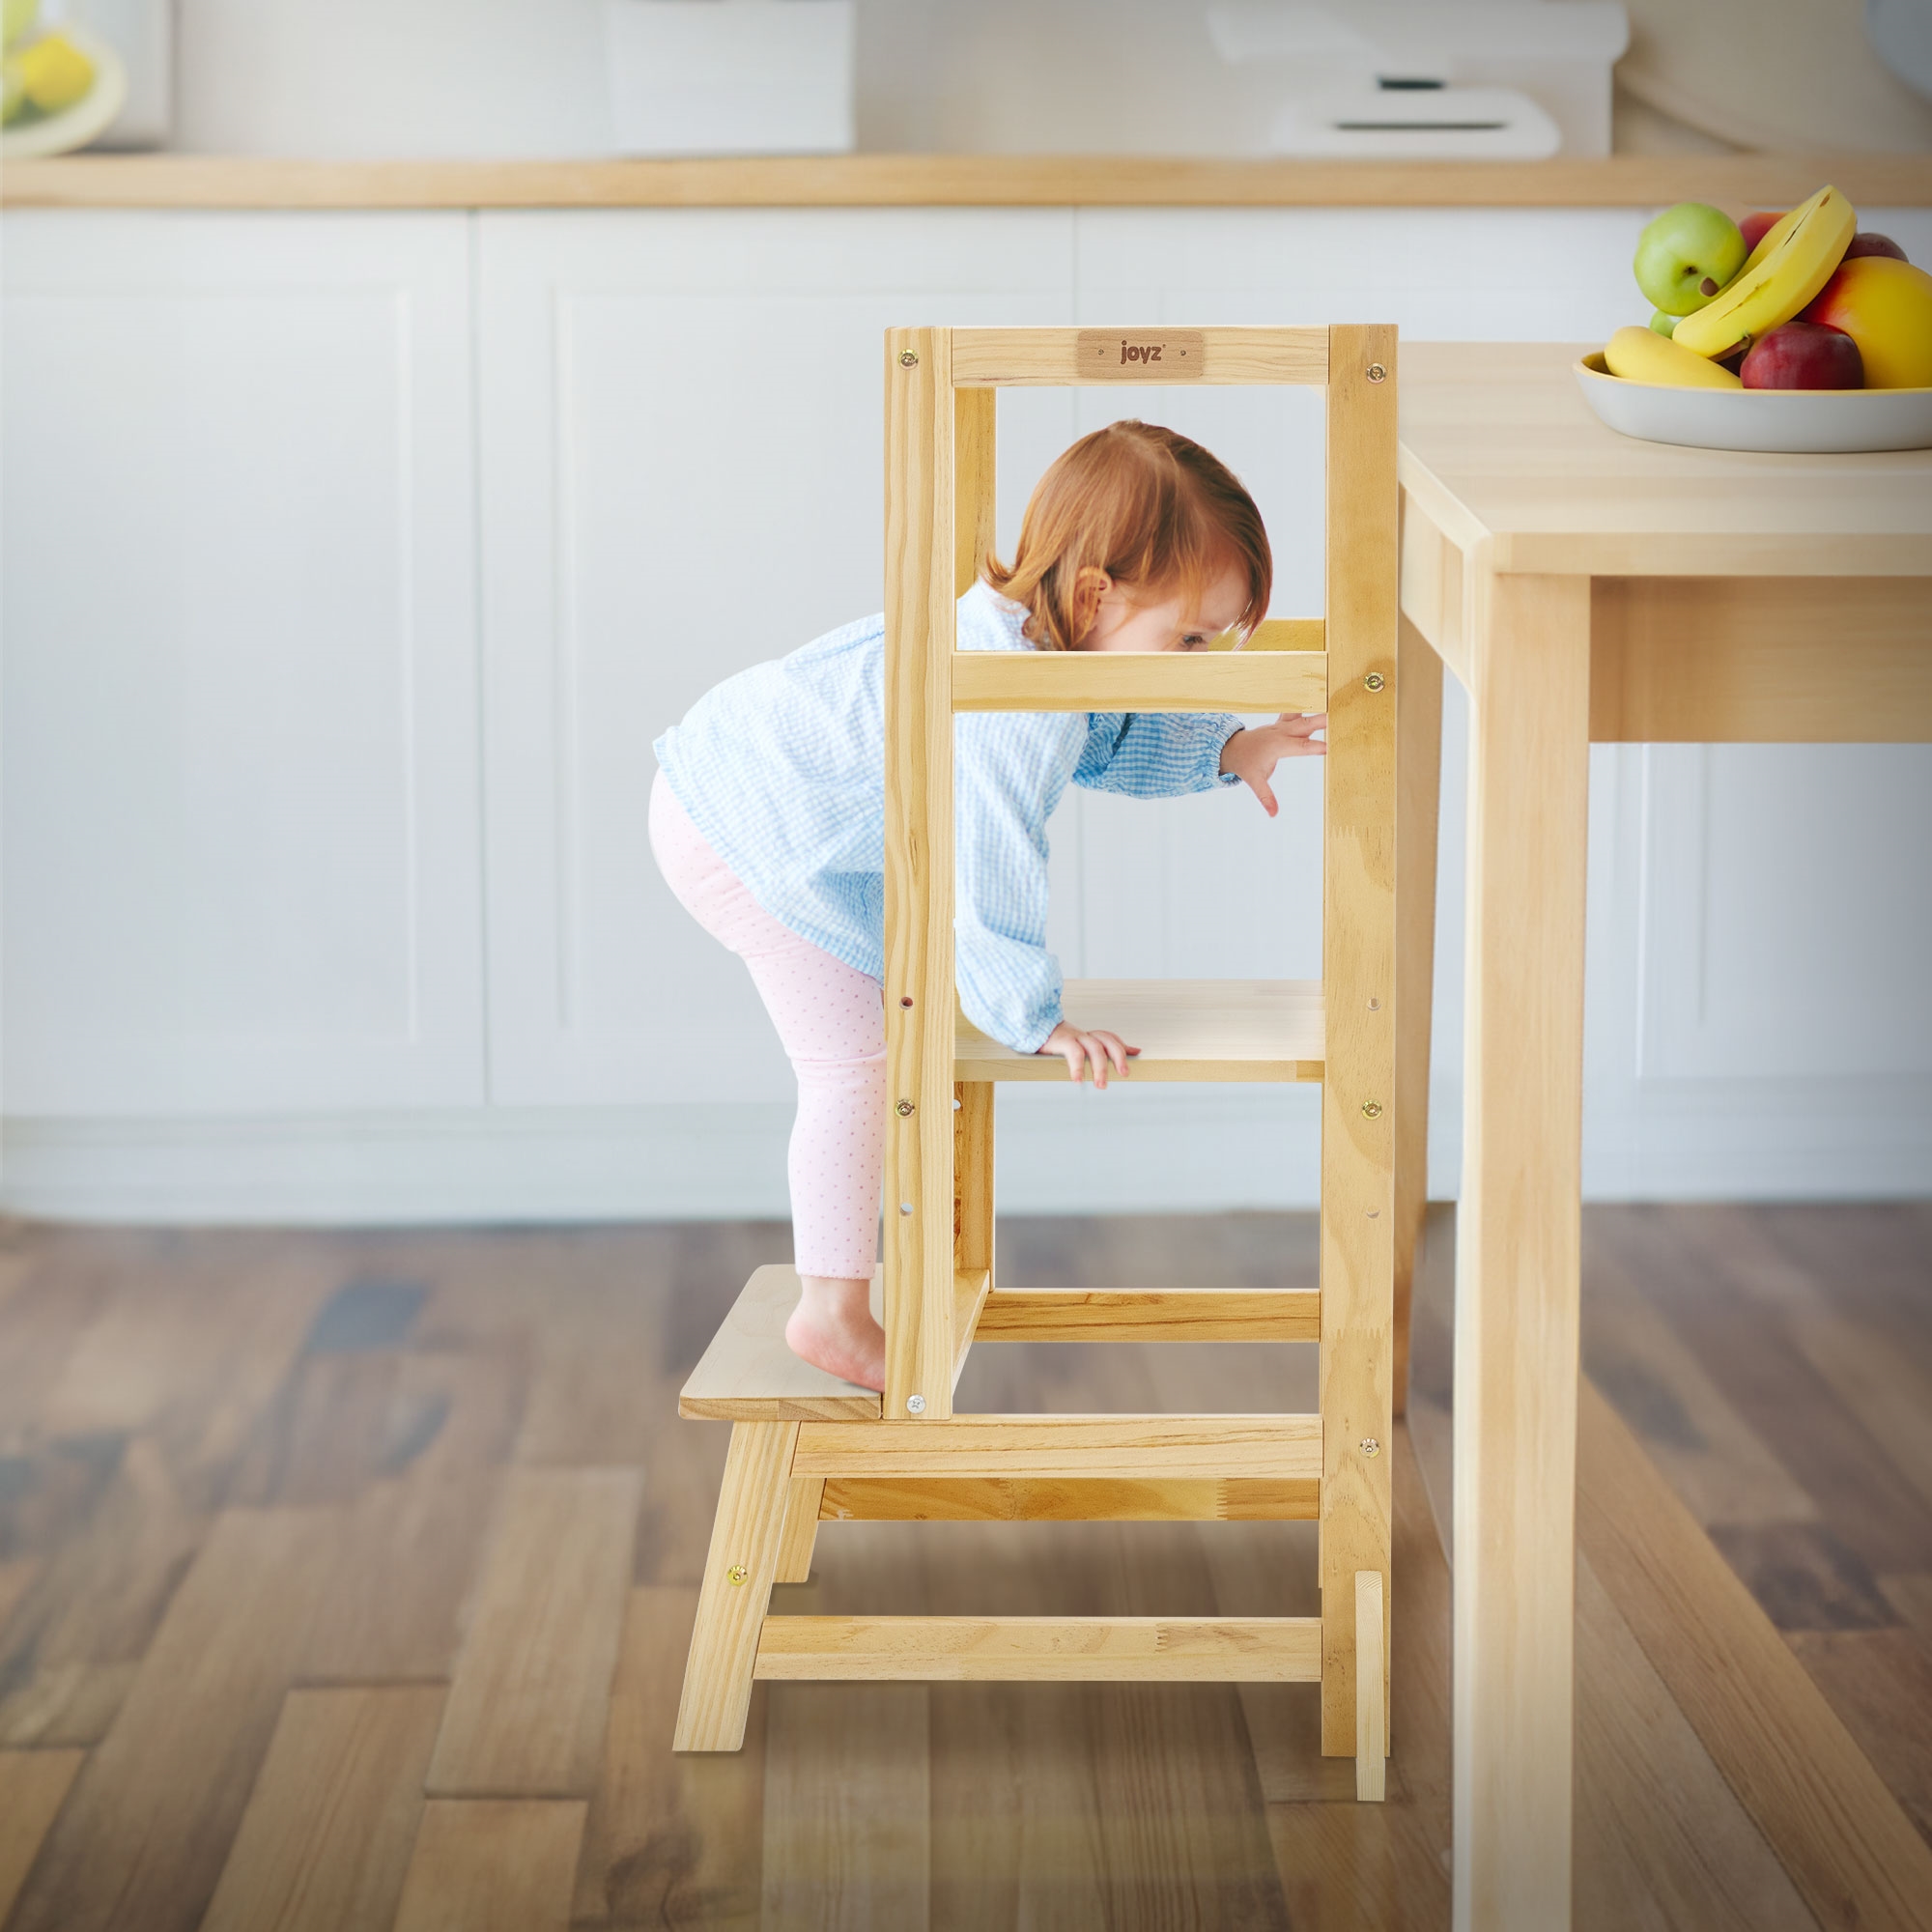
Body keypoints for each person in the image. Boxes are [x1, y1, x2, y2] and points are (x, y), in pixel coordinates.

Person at [650, 420, 1325, 1391]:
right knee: (854, 1060)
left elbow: (1113, 736)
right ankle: (830, 1310)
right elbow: (991, 859)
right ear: (1095, 594)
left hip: (733, 783)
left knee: (876, 1031)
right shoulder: (1009, 699)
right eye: (1185, 637)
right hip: (741, 823)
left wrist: (1229, 748)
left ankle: (836, 1297)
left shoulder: (1036, 640)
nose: (1193, 660)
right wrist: (1030, 1016)